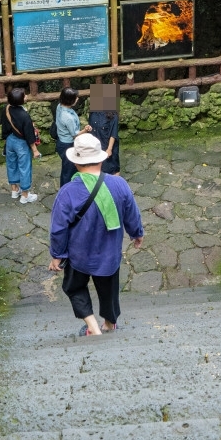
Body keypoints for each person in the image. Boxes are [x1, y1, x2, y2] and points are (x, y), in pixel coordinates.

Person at [48, 132, 143, 336]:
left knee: (74, 287)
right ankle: (109, 324)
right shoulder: (120, 185)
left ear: (76, 162)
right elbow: (132, 213)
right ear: (100, 159)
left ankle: (92, 327)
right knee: (109, 290)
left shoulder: (68, 192)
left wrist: (57, 254)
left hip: (78, 254)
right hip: (109, 253)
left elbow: (59, 228)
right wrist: (137, 233)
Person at [1, 87, 40, 204]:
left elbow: (4, 126)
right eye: (24, 96)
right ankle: (25, 195)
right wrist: (35, 150)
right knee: (25, 168)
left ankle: (14, 190)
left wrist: (6, 141)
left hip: (10, 141)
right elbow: (29, 135)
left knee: (11, 164)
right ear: (21, 101)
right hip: (21, 143)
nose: (26, 96)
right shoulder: (24, 116)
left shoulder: (6, 109)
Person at [55, 87, 91, 187]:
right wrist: (85, 130)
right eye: (75, 98)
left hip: (61, 141)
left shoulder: (59, 106)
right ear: (69, 100)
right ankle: (66, 190)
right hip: (68, 145)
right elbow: (75, 134)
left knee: (68, 168)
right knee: (68, 171)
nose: (77, 99)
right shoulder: (68, 117)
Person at [88, 83, 120, 175]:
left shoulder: (113, 115)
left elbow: (113, 134)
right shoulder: (93, 112)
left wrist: (109, 149)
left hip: (107, 146)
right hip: (96, 146)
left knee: (112, 169)